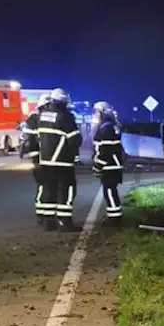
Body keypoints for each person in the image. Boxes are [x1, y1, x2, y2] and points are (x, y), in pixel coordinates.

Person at [36, 88, 81, 231]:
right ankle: (65, 222)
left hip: (46, 161)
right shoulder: (65, 117)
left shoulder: (42, 116)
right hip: (63, 161)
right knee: (67, 190)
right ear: (63, 102)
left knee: (49, 189)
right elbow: (75, 140)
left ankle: (49, 222)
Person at [91, 102, 126, 224]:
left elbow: (105, 150)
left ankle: (115, 219)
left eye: (96, 112)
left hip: (110, 165)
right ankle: (114, 216)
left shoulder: (105, 128)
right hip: (112, 165)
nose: (95, 115)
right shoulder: (109, 126)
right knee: (110, 190)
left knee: (109, 191)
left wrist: (98, 166)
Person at [20, 93, 50, 223]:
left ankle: (45, 213)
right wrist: (36, 159)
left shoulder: (44, 118)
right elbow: (30, 141)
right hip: (39, 158)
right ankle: (41, 213)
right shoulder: (34, 118)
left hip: (47, 157)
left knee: (47, 185)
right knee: (43, 184)